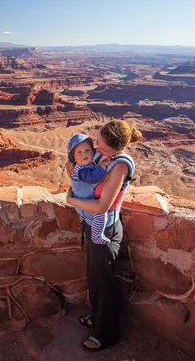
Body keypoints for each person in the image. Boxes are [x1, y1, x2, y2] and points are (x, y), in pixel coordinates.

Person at [66, 120, 142, 352]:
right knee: (95, 278)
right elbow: (83, 167)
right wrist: (70, 168)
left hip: (105, 229)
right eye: (97, 144)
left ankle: (107, 334)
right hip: (92, 226)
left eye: (104, 148)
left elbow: (102, 206)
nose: (98, 150)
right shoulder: (101, 156)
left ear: (117, 149)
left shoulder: (119, 166)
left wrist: (70, 200)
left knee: (105, 282)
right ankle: (98, 318)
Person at [67, 133, 111, 245]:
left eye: (87, 150)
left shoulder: (86, 165)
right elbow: (93, 178)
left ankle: (83, 217)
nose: (84, 155)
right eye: (79, 152)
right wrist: (102, 167)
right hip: (84, 203)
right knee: (101, 215)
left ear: (93, 152)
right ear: (74, 158)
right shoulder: (81, 170)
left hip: (81, 203)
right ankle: (96, 235)